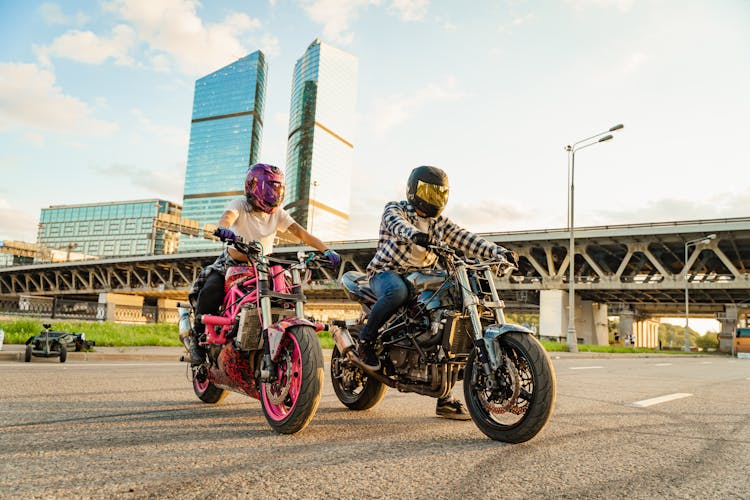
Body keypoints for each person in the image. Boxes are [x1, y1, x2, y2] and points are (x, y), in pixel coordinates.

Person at [358, 165, 517, 420]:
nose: (434, 200)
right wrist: (416, 235)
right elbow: (397, 225)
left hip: (424, 277)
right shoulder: (395, 209)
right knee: (396, 293)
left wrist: (499, 252)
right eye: (429, 193)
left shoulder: (440, 223)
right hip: (387, 272)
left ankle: (445, 397)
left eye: (439, 194)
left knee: (450, 318)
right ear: (413, 190)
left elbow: (467, 239)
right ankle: (365, 343)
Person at [187, 163, 341, 365]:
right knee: (211, 288)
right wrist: (224, 229)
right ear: (254, 186)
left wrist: (326, 249)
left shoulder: (277, 212)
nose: (274, 192)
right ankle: (197, 341)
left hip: (262, 266)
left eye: (278, 188)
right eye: (270, 187)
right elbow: (228, 216)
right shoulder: (240, 204)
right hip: (233, 261)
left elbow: (301, 233)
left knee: (286, 295)